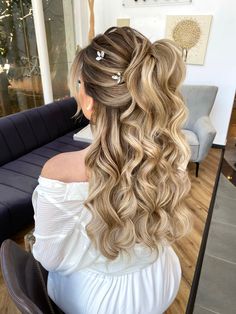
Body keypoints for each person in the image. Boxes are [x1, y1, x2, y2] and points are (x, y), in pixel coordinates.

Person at [32, 26, 192, 314]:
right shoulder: (171, 153)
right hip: (161, 278)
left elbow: (50, 259)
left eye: (79, 83)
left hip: (103, 302)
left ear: (90, 103)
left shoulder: (61, 172)